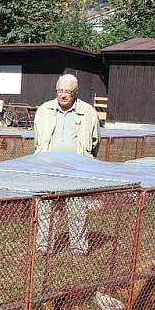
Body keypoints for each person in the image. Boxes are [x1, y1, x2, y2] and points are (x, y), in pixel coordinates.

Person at [33, 74, 101, 256]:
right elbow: (37, 140)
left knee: (77, 210)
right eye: (60, 91)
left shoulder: (89, 112)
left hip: (76, 171)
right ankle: (43, 247)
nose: (63, 95)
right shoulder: (44, 110)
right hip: (48, 170)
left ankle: (78, 248)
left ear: (75, 92)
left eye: (68, 92)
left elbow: (95, 143)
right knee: (45, 210)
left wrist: (87, 161)